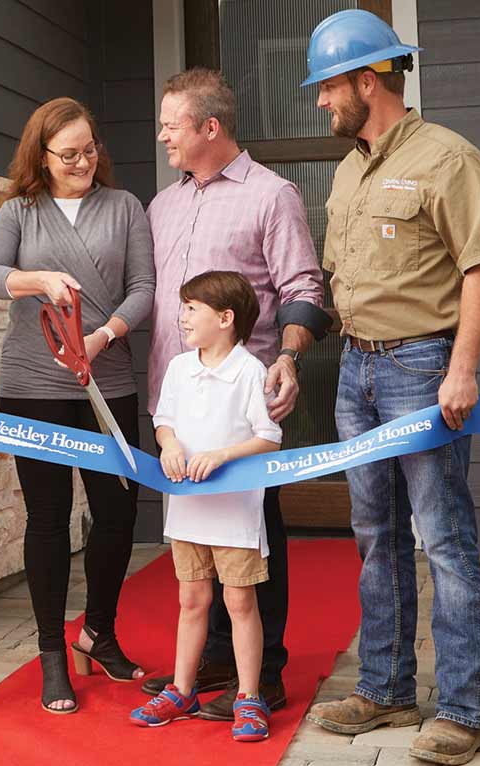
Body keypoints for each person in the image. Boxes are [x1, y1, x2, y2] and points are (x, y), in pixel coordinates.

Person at [294, 10, 480, 766]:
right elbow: (341, 279)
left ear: (368, 80)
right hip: (355, 367)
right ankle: (387, 689)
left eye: (329, 88)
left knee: (443, 538)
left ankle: (463, 710)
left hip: (423, 368)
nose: (322, 103)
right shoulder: (350, 168)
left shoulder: (448, 159)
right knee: (374, 536)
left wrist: (462, 368)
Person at [140, 67, 331, 724]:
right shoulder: (161, 205)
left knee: (251, 536)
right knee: (196, 535)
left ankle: (265, 675)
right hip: (178, 405)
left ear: (209, 127)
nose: (162, 134)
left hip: (239, 406)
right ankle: (215, 657)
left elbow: (304, 287)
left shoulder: (271, 195)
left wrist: (289, 357)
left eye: (172, 124)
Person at [0, 97, 156, 714]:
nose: (83, 161)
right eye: (68, 154)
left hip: (108, 381)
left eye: (90, 149)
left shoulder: (125, 207)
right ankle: (52, 654)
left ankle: (98, 631)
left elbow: (144, 289)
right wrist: (41, 280)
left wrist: (104, 336)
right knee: (49, 518)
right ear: (43, 156)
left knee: (117, 513)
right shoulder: (20, 211)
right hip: (33, 384)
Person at [129, 270, 283, 739]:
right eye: (183, 307)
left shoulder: (250, 371)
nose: (182, 317)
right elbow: (164, 420)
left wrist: (222, 455)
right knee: (191, 599)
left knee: (239, 602)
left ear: (226, 318)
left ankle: (249, 696)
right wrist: (169, 445)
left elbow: (269, 437)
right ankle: (181, 688)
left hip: (235, 514)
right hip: (189, 510)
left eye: (192, 308)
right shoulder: (178, 367)